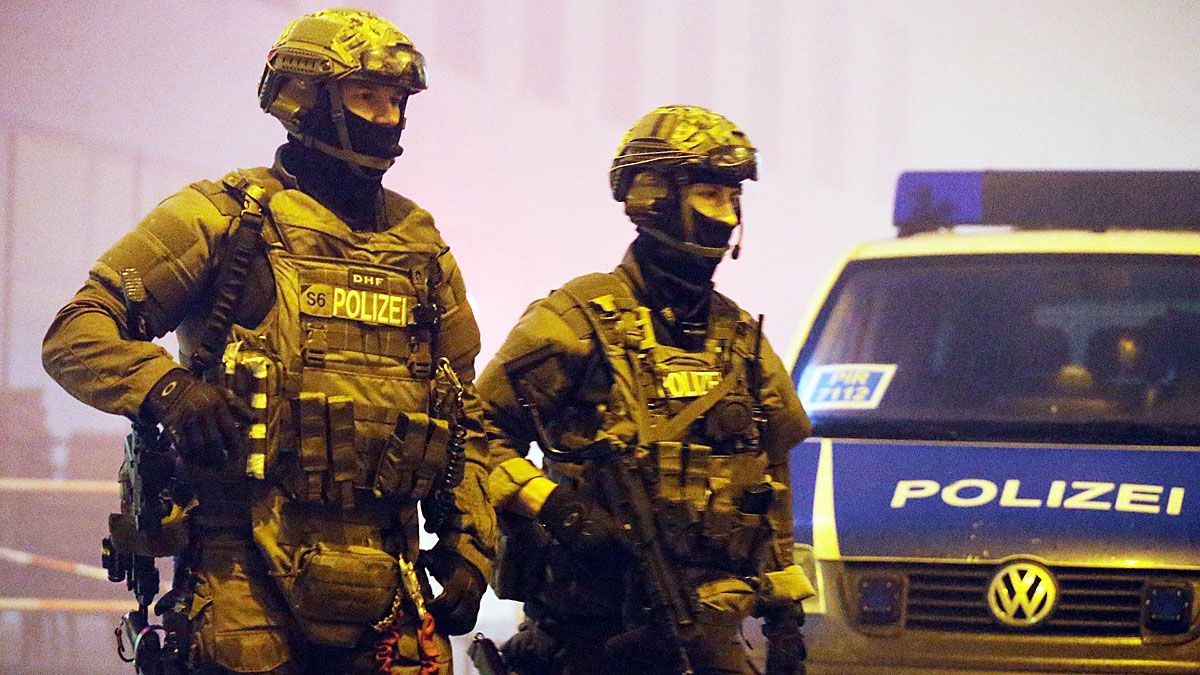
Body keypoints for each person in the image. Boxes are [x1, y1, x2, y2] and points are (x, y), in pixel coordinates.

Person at [42, 8, 494, 674]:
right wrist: (168, 389)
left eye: (397, 99)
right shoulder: (223, 219)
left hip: (386, 574)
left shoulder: (419, 248)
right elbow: (77, 330)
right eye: (367, 94)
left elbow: (465, 416)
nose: (390, 116)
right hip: (240, 573)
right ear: (305, 98)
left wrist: (470, 545)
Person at [478, 105, 814, 675]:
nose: (728, 214)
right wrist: (551, 504)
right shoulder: (578, 320)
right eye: (711, 194)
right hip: (587, 634)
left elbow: (770, 482)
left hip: (705, 638)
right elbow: (476, 430)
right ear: (654, 195)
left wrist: (785, 619)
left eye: (734, 198)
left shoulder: (740, 341)